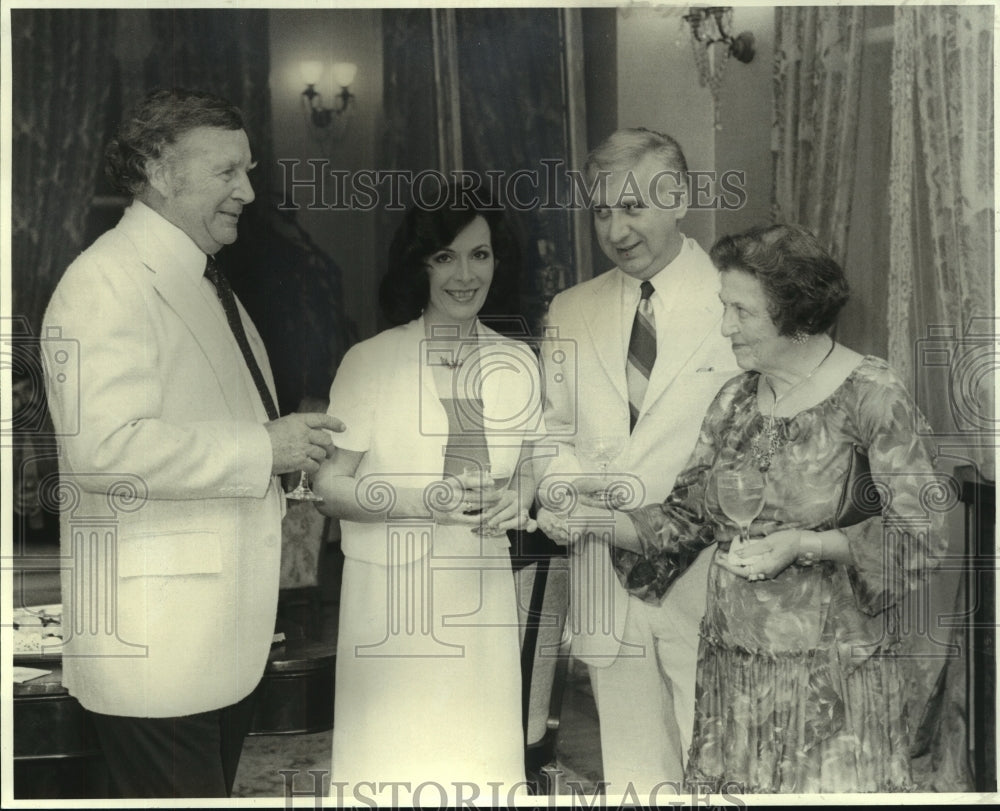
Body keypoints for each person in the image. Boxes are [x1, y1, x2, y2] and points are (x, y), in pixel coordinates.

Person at [540, 223, 942, 793]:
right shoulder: (734, 399)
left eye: (741, 312)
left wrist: (807, 544)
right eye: (723, 307)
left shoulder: (872, 394)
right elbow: (684, 520)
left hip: (827, 681)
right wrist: (593, 520)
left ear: (796, 315)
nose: (725, 326)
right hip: (734, 677)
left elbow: (922, 535)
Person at [40, 88, 344, 798]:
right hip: (154, 651)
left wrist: (291, 454)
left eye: (250, 170)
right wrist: (264, 449)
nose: (248, 190)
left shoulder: (204, 278)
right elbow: (104, 450)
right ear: (157, 167)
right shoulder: (106, 283)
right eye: (227, 171)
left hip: (207, 648)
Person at [313, 184, 540, 804]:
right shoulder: (371, 361)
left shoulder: (518, 363)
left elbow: (535, 462)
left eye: (480, 255)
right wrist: (421, 502)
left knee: (480, 768)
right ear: (420, 265)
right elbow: (328, 487)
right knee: (393, 767)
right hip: (391, 600)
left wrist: (522, 492)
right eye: (445, 257)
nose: (465, 275)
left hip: (481, 593)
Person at [536, 128, 739, 794]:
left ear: (678, 197)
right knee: (633, 774)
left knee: (720, 766)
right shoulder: (571, 310)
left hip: (708, 580)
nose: (616, 230)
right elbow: (548, 431)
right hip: (604, 583)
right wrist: (567, 490)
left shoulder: (737, 305)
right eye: (601, 211)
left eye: (633, 207)